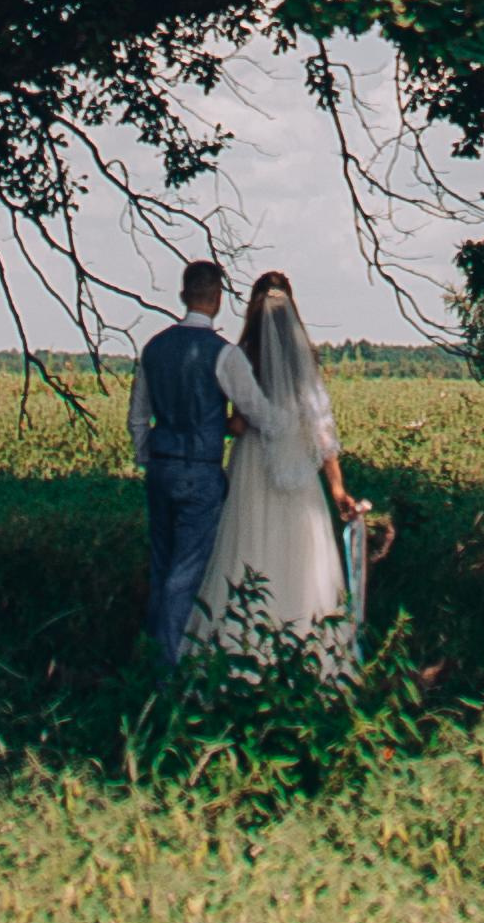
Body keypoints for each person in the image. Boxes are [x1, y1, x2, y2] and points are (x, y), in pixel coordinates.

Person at [185, 270, 363, 676]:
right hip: (298, 467)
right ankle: (308, 653)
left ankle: (240, 656)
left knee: (248, 548)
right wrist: (337, 489)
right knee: (301, 554)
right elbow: (322, 431)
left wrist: (235, 425)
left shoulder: (240, 354)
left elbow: (237, 423)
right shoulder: (305, 360)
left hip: (253, 464)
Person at [128, 258, 276, 664]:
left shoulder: (153, 348)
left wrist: (149, 458)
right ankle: (168, 673)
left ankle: (150, 659)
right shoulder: (223, 355)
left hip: (161, 465)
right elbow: (258, 412)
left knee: (161, 568)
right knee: (186, 575)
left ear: (182, 295)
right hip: (200, 470)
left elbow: (138, 416)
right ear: (218, 299)